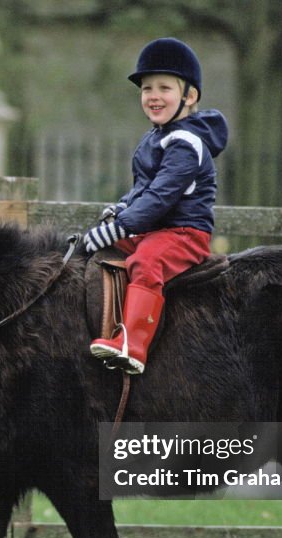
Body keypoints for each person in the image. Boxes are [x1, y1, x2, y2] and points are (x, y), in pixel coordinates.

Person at [85, 37, 229, 374]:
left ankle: (132, 345)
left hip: (183, 233)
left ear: (189, 96)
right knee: (104, 248)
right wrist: (118, 212)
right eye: (146, 88)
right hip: (156, 228)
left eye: (164, 88)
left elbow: (160, 197)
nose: (153, 96)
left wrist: (122, 225)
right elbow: (141, 191)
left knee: (146, 261)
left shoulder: (185, 143)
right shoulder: (157, 137)